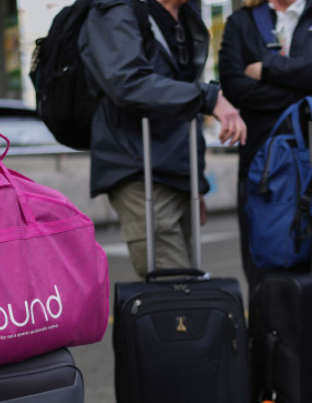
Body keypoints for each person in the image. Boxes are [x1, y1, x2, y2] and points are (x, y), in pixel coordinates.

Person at [79, 0, 247, 279]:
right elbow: (127, 83)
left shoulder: (184, 15)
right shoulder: (117, 9)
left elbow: (180, 97)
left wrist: (195, 181)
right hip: (138, 167)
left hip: (178, 171)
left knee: (188, 287)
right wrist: (208, 97)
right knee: (174, 289)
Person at [219, 0, 312, 286]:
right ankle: (264, 329)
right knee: (262, 262)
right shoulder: (242, 22)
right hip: (260, 160)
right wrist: (309, 75)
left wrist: (266, 69)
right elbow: (235, 87)